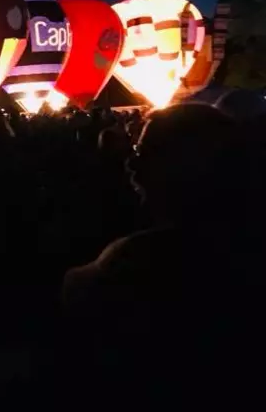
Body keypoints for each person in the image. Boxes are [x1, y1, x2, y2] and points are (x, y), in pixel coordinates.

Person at [61, 103, 266, 404]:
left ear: (187, 164)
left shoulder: (136, 262)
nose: (131, 163)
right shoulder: (244, 247)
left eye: (144, 153)